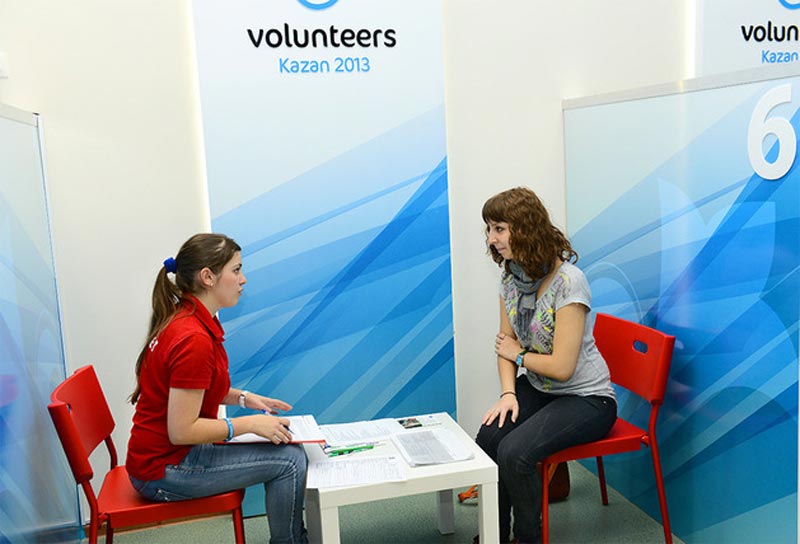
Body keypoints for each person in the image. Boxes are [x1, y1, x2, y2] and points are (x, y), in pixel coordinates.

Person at [126, 233, 307, 544]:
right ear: (208, 277)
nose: (243, 279)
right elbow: (181, 431)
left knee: (288, 450)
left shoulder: (187, 320)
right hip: (165, 470)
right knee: (290, 461)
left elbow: (195, 388)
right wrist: (249, 425)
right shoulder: (193, 339)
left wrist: (245, 398)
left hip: (163, 458)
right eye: (236, 270)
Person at [475, 188, 617, 544]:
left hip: (587, 399)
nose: (491, 239)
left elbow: (563, 367)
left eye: (499, 229)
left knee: (515, 452)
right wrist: (508, 394)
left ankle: (528, 539)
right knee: (489, 438)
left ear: (525, 228)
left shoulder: (569, 281)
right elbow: (505, 345)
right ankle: (494, 537)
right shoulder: (511, 277)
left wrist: (520, 356)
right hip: (541, 387)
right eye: (489, 229)